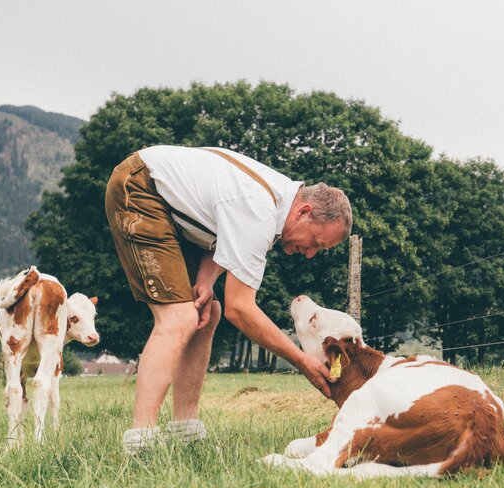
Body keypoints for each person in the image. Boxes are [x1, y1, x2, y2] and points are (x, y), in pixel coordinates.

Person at [105, 145, 352, 452]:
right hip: (140, 188)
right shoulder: (260, 210)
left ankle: (185, 430)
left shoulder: (276, 203)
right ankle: (140, 441)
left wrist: (206, 279)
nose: (310, 254)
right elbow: (242, 309)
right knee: (180, 318)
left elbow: (223, 231)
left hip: (177, 214)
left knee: (209, 313)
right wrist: (301, 360)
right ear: (304, 212)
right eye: (314, 242)